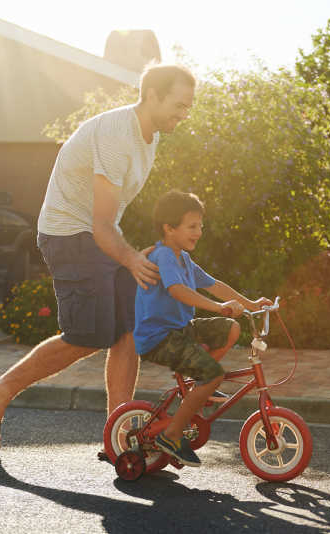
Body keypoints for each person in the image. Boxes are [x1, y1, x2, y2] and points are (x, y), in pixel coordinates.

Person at [0, 64, 196, 452]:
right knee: (88, 335)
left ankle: (118, 436)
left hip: (97, 237)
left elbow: (109, 220)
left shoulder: (150, 137)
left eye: (189, 107)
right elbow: (101, 223)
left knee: (128, 327)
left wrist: (130, 255)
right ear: (152, 95)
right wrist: (128, 258)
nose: (184, 114)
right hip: (68, 235)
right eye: (179, 105)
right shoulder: (116, 135)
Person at [135, 190, 271, 466]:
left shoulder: (183, 257)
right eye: (192, 226)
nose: (199, 232)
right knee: (213, 375)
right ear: (169, 228)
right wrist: (218, 307)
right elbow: (177, 290)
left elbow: (215, 285)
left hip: (181, 329)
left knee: (231, 329)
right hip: (158, 338)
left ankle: (200, 386)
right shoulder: (164, 256)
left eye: (201, 226)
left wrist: (251, 304)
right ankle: (171, 435)